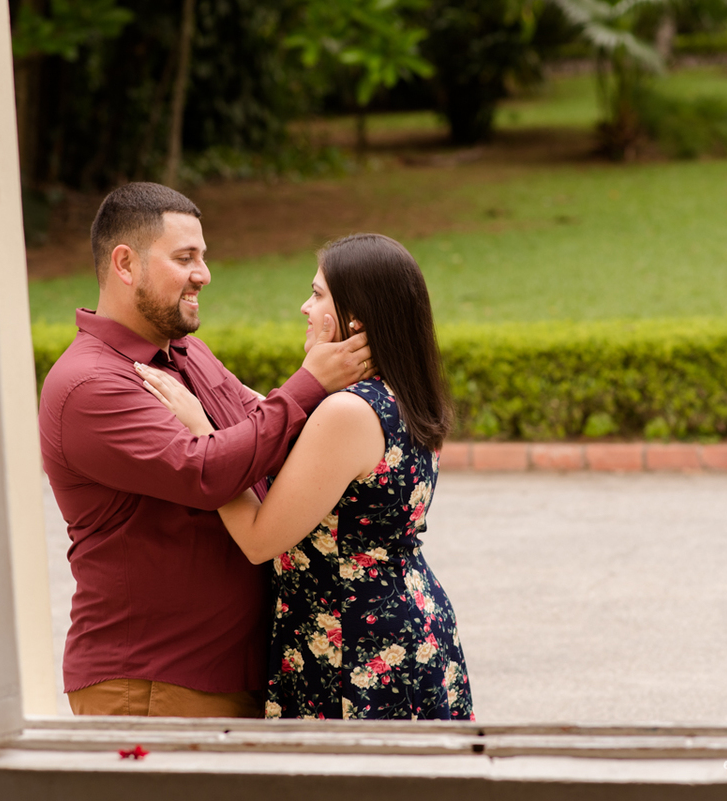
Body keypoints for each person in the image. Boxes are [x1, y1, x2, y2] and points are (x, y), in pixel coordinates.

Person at [39, 183, 373, 718]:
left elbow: (261, 438)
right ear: (125, 264)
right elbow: (210, 472)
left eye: (204, 256)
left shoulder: (188, 353)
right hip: (154, 682)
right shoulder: (90, 385)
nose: (204, 273)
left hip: (229, 673)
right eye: (185, 258)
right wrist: (310, 383)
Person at [137, 233, 474, 720]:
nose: (304, 307)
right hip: (400, 619)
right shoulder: (395, 392)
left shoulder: (347, 412)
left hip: (354, 640)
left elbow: (258, 539)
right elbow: (273, 420)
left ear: (354, 318)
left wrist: (200, 435)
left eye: (317, 295)